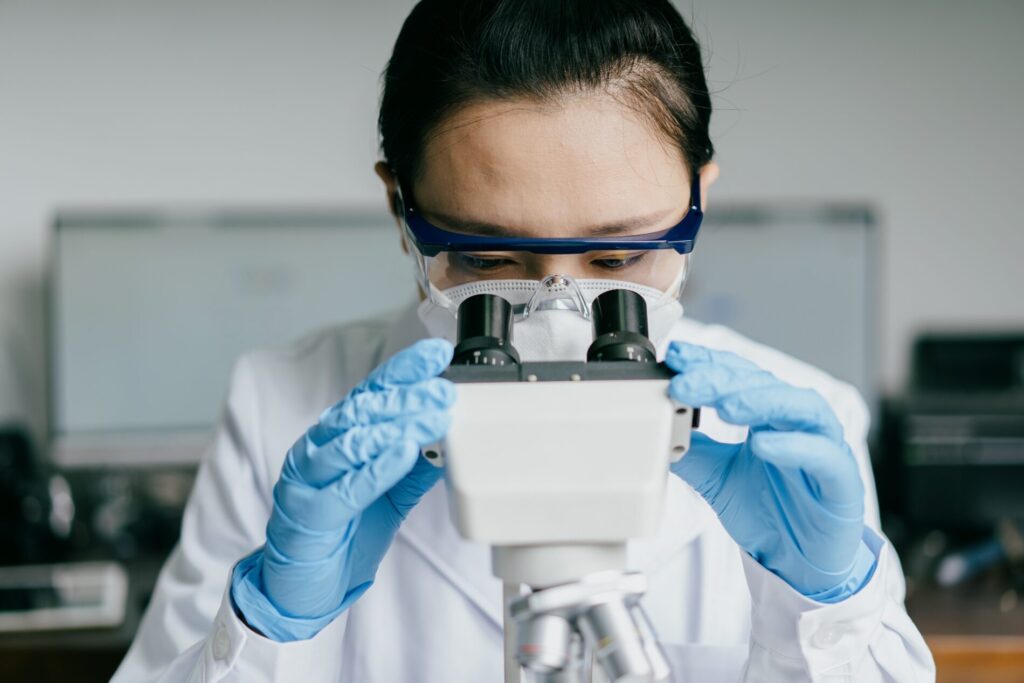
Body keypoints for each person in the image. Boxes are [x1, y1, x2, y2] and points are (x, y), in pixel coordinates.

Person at [113, 1, 935, 680]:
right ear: (401, 208)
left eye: (617, 258)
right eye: (484, 258)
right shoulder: (279, 408)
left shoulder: (802, 427)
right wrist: (270, 626)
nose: (558, 317)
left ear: (697, 199)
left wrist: (826, 607)